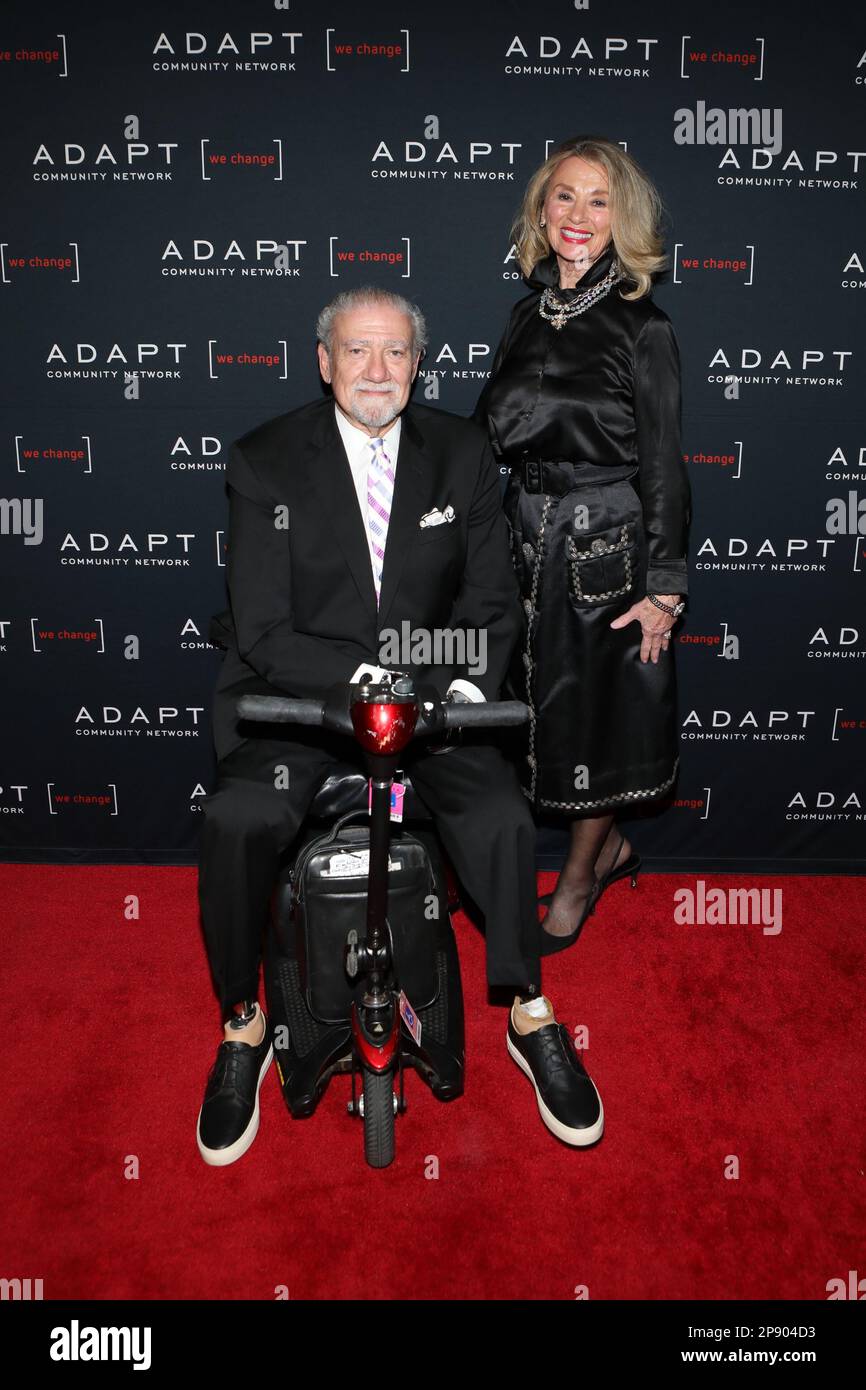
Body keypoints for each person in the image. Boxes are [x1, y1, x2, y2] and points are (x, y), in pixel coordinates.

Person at [195, 286, 605, 1165]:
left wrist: (451, 684)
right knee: (237, 819)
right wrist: (363, 681)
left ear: (419, 364)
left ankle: (528, 1009)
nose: (375, 372)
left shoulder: (462, 453)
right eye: (356, 352)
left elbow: (492, 601)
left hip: (429, 704)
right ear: (323, 360)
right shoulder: (265, 460)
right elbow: (263, 628)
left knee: (498, 816)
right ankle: (243, 1024)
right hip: (302, 705)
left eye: (395, 354)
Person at [473, 136, 691, 954]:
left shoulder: (644, 326)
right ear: (541, 207)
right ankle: (610, 853)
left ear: (621, 218)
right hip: (518, 543)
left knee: (599, 730)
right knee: (522, 720)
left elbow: (666, 464)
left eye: (598, 201)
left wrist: (664, 589)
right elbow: (483, 436)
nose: (577, 215)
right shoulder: (525, 315)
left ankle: (577, 880)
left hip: (606, 552)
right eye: (564, 196)